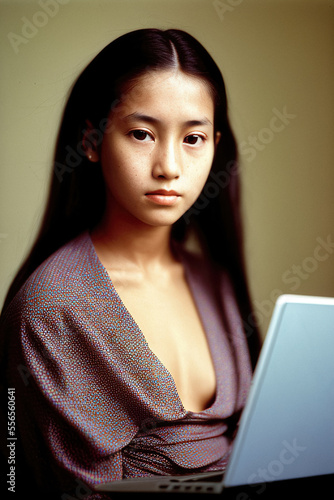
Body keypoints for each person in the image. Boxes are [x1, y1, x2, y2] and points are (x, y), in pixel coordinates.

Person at [0, 29, 261, 499]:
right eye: (142, 134)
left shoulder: (215, 282)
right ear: (92, 140)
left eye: (194, 138)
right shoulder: (50, 311)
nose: (169, 166)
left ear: (216, 145)